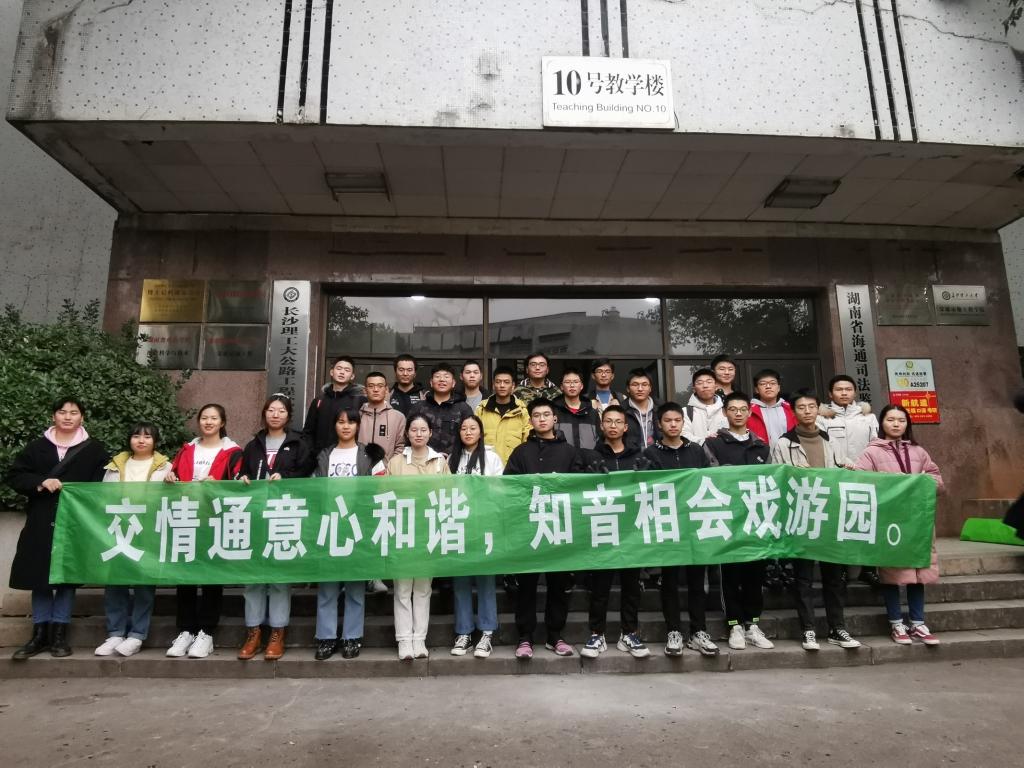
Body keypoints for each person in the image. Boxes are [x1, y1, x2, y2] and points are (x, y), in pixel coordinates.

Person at [7, 397, 109, 660]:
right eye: (62, 412)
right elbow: (15, 476)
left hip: (74, 522)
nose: (67, 416)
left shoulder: (94, 450)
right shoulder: (37, 447)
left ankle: (60, 634)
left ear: (82, 417)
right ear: (54, 416)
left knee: (66, 577)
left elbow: (101, 486)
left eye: (73, 412)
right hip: (41, 520)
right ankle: (39, 634)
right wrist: (41, 481)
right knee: (39, 577)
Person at [771, 390, 861, 652]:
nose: (807, 411)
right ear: (793, 412)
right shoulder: (784, 443)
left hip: (829, 516)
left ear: (818, 409)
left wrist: (850, 468)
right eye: (801, 407)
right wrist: (791, 473)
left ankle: (837, 628)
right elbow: (776, 479)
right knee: (804, 578)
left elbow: (843, 466)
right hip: (801, 516)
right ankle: (808, 629)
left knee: (834, 577)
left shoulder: (829, 439)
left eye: (812, 406)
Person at [855, 405, 944, 646]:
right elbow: (860, 482)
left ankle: (918, 622)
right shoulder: (871, 452)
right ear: (882, 423)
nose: (896, 424)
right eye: (891, 419)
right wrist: (892, 484)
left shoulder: (918, 451)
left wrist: (921, 481)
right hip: (889, 520)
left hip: (917, 520)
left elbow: (938, 480)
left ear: (908, 424)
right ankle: (896, 623)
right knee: (891, 572)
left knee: (919, 571)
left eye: (901, 420)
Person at [236, 395, 314, 661]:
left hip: (284, 517)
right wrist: (242, 478)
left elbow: (307, 476)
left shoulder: (299, 444)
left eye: (281, 410)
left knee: (280, 578)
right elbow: (243, 473)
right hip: (256, 517)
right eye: (271, 410)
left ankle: (277, 633)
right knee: (253, 579)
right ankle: (253, 632)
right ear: (264, 413)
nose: (275, 414)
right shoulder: (253, 445)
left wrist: (287, 478)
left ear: (288, 415)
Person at [504, 398, 583, 659]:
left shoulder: (569, 452)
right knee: (526, 584)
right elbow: (509, 486)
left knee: (558, 584)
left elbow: (578, 487)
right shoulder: (521, 452)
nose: (541, 419)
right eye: (536, 415)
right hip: (528, 526)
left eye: (546, 414)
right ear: (530, 421)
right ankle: (525, 637)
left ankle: (555, 636)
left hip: (560, 526)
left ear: (554, 419)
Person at [164, 403, 243, 659]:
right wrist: (170, 477)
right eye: (204, 418)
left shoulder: (233, 452)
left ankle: (206, 632)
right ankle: (186, 630)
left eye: (214, 418)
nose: (208, 422)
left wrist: (219, 484)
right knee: (184, 576)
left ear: (222, 422)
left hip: (214, 519)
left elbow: (240, 483)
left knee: (211, 577)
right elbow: (175, 475)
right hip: (186, 517)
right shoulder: (187, 449)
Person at [313, 407, 386, 661]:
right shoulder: (324, 455)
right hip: (330, 524)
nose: (345, 426)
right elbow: (313, 488)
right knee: (328, 585)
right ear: (334, 425)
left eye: (351, 422)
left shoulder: (369, 455)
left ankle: (352, 636)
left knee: (355, 584)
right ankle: (326, 637)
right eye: (341, 422)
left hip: (357, 525)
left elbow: (380, 488)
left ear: (358, 426)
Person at [704, 393, 775, 651]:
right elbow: (710, 478)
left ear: (749, 412)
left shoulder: (761, 446)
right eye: (732, 409)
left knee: (755, 574)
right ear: (725, 412)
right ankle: (734, 624)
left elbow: (770, 481)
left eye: (742, 409)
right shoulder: (713, 443)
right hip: (727, 518)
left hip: (756, 518)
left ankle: (752, 625)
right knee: (730, 574)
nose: (737, 413)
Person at [642, 402, 713, 657]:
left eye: (677, 420)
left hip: (694, 524)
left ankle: (698, 631)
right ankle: (673, 631)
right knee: (669, 581)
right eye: (668, 421)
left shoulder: (696, 450)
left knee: (696, 581)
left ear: (683, 422)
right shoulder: (650, 453)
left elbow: (708, 482)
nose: (673, 425)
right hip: (667, 525)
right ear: (659, 424)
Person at [94, 421, 170, 658]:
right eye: (136, 436)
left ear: (155, 441)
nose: (141, 440)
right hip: (118, 530)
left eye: (147, 437)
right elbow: (103, 498)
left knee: (144, 584)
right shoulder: (115, 466)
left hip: (147, 531)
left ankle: (137, 634)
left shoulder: (166, 467)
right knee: (114, 582)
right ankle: (115, 633)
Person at [580, 405, 650, 660]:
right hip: (602, 528)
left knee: (631, 585)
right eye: (608, 421)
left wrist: (646, 475)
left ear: (625, 426)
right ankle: (596, 633)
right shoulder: (591, 456)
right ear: (601, 426)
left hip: (631, 530)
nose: (613, 426)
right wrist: (586, 476)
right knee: (600, 587)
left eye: (618, 422)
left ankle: (629, 633)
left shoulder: (638, 456)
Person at [387, 414, 451, 660]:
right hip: (402, 530)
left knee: (423, 588)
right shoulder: (396, 462)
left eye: (423, 429)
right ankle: (404, 640)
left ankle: (419, 639)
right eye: (414, 429)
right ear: (407, 433)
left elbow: (449, 494)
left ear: (430, 433)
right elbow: (385, 494)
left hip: (429, 530)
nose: (418, 434)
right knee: (403, 588)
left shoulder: (439, 462)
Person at [818, 374, 882, 587]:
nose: (844, 393)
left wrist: (865, 468)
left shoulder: (868, 417)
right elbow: (824, 446)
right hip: (836, 477)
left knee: (867, 521)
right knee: (839, 523)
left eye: (848, 389)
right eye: (839, 389)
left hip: (864, 476)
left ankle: (868, 569)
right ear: (830, 394)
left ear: (855, 392)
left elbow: (875, 445)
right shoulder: (822, 418)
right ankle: (843, 569)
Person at [447, 415, 504, 658]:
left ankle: (487, 632)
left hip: (484, 525)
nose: (468, 432)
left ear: (480, 432)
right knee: (460, 580)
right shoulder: (451, 459)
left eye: (473, 428)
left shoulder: (491, 458)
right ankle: (464, 633)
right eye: (464, 428)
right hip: (458, 526)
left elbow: (500, 490)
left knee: (485, 580)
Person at [302, 355, 367, 453]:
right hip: (320, 456)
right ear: (332, 372)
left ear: (352, 376)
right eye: (339, 368)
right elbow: (308, 431)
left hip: (348, 455)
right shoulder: (319, 401)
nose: (342, 372)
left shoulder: (360, 400)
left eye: (347, 370)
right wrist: (311, 453)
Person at [409, 363, 474, 455]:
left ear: (453, 383)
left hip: (454, 459)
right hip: (423, 459)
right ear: (431, 382)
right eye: (437, 376)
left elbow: (470, 436)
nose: (442, 379)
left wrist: (449, 454)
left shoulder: (464, 408)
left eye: (446, 377)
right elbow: (409, 434)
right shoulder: (419, 407)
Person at [476, 366, 531, 463]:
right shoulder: (482, 409)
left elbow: (527, 441)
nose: (502, 385)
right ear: (493, 385)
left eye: (506, 382)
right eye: (498, 382)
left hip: (513, 466)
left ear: (513, 386)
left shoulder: (521, 410)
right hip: (487, 465)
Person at [358, 371, 406, 461]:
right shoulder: (357, 415)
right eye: (371, 386)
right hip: (360, 468)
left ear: (386, 390)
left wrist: (390, 466)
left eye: (380, 386)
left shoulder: (398, 417)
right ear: (365, 390)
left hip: (387, 468)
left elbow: (400, 446)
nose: (376, 389)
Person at [552, 366, 602, 450]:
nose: (572, 385)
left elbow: (600, 440)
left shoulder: (592, 412)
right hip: (563, 457)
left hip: (588, 458)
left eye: (575, 382)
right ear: (561, 387)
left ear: (581, 386)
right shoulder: (553, 411)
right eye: (567, 382)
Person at [748, 368, 796, 450]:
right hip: (761, 455)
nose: (768, 387)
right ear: (756, 389)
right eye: (763, 384)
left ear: (778, 388)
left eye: (772, 383)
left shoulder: (790, 409)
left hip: (789, 454)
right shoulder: (748, 411)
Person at [682, 368, 728, 446]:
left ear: (716, 387)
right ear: (694, 389)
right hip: (696, 453)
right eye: (700, 383)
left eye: (709, 382)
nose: (705, 386)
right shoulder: (685, 412)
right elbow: (684, 435)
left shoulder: (726, 411)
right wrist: (705, 442)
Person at [623, 368, 660, 450]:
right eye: (635, 384)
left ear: (650, 388)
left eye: (644, 384)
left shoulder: (661, 409)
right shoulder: (621, 411)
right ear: (628, 388)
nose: (640, 389)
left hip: (658, 456)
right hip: (631, 456)